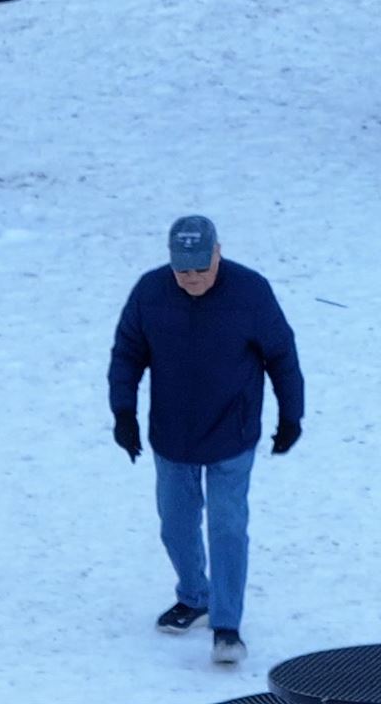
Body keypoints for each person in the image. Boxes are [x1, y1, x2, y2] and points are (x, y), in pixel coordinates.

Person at [108, 214, 305, 666]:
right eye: (183, 270)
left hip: (231, 434)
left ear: (218, 251)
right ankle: (195, 595)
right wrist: (123, 412)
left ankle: (227, 625)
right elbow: (127, 354)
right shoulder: (150, 292)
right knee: (175, 525)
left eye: (201, 267)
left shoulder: (250, 292)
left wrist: (291, 415)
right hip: (172, 434)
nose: (192, 278)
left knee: (227, 527)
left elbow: (282, 355)